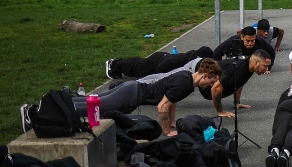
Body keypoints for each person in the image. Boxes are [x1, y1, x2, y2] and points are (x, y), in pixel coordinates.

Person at [20, 59, 223, 137]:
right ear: (205, 75)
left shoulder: (186, 78)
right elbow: (162, 106)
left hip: (131, 89)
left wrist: (172, 122)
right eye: (211, 82)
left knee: (91, 102)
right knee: (90, 109)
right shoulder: (185, 82)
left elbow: (172, 101)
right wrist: (167, 131)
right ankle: (36, 112)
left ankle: (48, 103)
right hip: (131, 94)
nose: (210, 86)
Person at [200, 51, 272, 117]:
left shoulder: (248, 67)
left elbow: (239, 83)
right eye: (265, 66)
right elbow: (215, 89)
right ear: (256, 63)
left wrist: (236, 102)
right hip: (196, 69)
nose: (267, 69)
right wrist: (220, 112)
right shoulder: (236, 69)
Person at [104, 46, 214, 80]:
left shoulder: (192, 56)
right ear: (199, 57)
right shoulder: (183, 59)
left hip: (160, 58)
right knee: (136, 69)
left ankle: (118, 62)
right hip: (158, 63)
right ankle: (113, 64)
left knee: (139, 63)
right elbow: (161, 68)